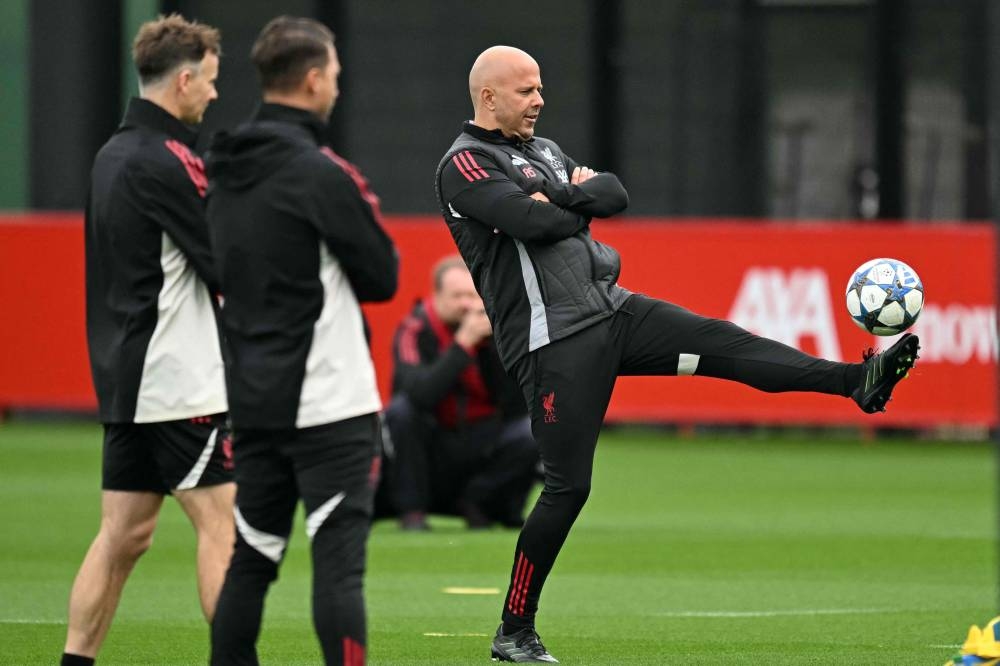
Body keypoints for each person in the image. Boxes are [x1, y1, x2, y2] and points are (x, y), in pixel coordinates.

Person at [434, 45, 920, 663]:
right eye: (527, 90)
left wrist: (559, 202)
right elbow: (533, 224)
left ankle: (858, 380)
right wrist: (566, 204)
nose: (540, 100)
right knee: (568, 488)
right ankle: (514, 629)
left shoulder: (544, 153)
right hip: (553, 340)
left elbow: (613, 195)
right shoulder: (466, 164)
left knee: (727, 345)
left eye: (539, 88)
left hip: (611, 308)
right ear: (489, 97)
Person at [205, 16, 398, 666]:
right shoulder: (321, 171)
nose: (338, 89)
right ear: (313, 80)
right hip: (328, 400)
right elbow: (382, 274)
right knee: (339, 571)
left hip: (253, 398)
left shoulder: (219, 168)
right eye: (335, 77)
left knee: (251, 563)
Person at [64, 15, 233, 666]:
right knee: (224, 527)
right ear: (185, 80)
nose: (214, 95)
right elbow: (222, 261)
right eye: (211, 82)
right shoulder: (170, 160)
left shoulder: (112, 153)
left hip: (124, 374)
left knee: (124, 535)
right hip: (177, 375)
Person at [383, 255, 538, 531]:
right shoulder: (414, 329)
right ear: (438, 296)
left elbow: (517, 404)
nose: (467, 305)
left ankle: (482, 504)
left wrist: (491, 348)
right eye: (457, 296)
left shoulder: (500, 331)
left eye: (472, 295)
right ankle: (412, 512)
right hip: (432, 442)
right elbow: (418, 395)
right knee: (401, 412)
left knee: (534, 429)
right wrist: (462, 345)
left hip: (483, 436)